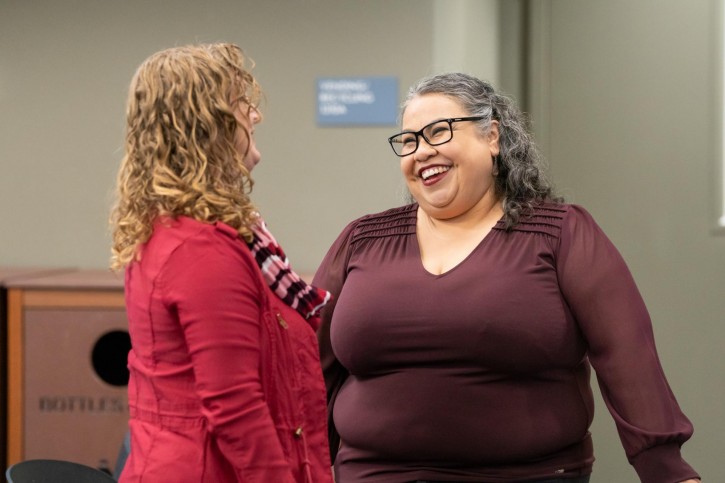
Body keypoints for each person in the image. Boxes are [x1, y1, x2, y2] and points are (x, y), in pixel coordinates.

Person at [313, 72, 700, 483]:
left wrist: (667, 470)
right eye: (409, 141)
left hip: (527, 475)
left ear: (492, 136)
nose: (421, 152)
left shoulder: (559, 233)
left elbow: (627, 359)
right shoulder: (362, 240)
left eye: (438, 132)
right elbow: (308, 367)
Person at [109, 43, 333, 483]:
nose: (255, 115)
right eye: (240, 104)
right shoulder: (201, 250)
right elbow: (234, 407)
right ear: (206, 126)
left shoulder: (193, 232)